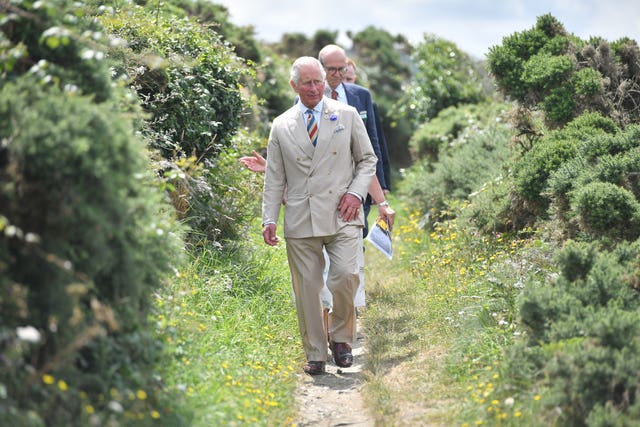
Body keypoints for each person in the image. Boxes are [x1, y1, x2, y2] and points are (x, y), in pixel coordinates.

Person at [262, 56, 377, 375]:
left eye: (318, 82)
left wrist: (356, 193)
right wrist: (269, 218)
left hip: (344, 212)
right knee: (308, 289)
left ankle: (341, 338)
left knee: (345, 275)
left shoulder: (347, 114)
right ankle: (315, 352)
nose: (314, 88)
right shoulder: (281, 124)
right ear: (294, 85)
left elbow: (368, 160)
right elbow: (274, 177)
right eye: (307, 83)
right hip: (301, 217)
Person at [318, 45, 396, 311]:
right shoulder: (310, 97)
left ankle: (350, 306)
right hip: (324, 187)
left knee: (354, 239)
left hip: (359, 183)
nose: (339, 74)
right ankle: (333, 306)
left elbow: (372, 144)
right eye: (333, 70)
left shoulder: (360, 97)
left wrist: (380, 191)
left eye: (343, 69)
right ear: (322, 69)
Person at [344, 58, 392, 193]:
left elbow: (377, 142)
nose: (345, 83)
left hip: (361, 174)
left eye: (348, 79)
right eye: (343, 79)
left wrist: (383, 183)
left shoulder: (366, 102)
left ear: (354, 78)